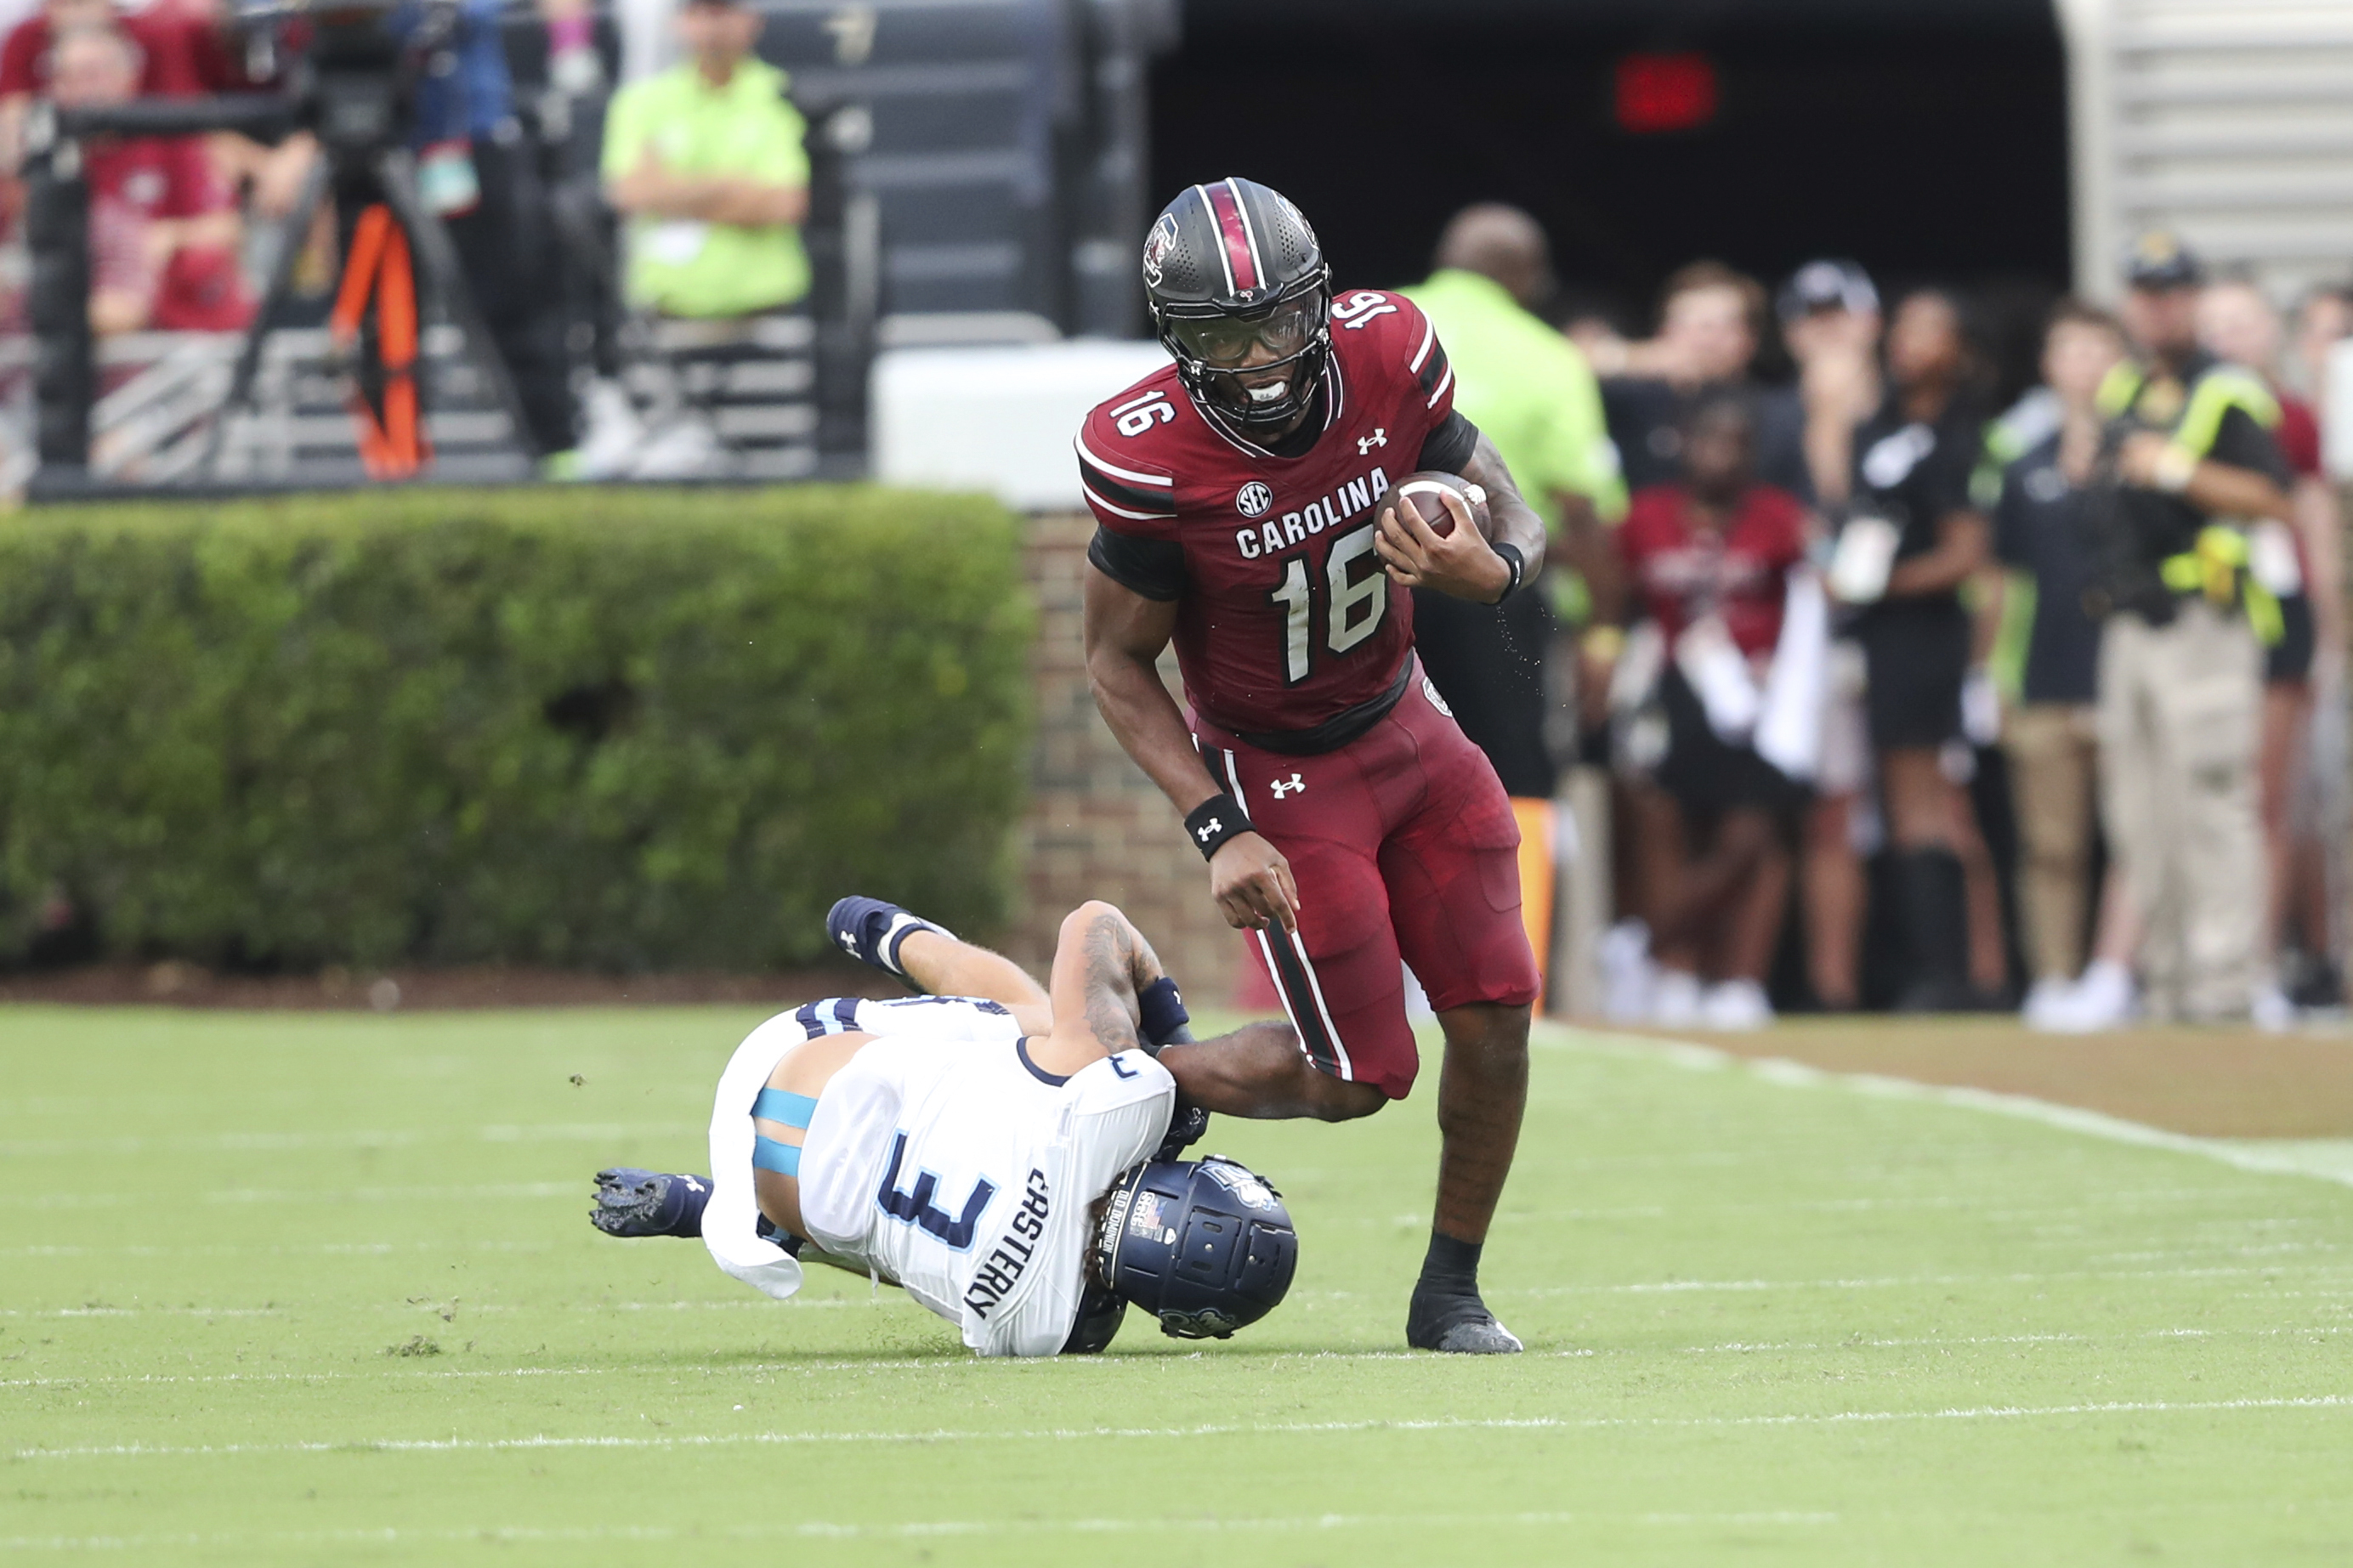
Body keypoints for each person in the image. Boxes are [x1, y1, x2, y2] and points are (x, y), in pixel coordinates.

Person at [1079, 177, 1546, 1354]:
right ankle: (1116, 1080)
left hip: (1409, 723)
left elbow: (1509, 507)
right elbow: (1115, 665)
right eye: (1224, 338)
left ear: (1319, 301)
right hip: (1283, 776)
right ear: (1176, 341)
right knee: (1354, 1076)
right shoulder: (1146, 452)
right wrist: (1213, 825)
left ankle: (1450, 1292)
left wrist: (1490, 573)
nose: (1261, 358)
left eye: (1278, 323)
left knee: (1497, 1014)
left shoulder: (1389, 348)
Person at [589, 897, 1301, 1356]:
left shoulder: (1119, 1108)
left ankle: (901, 940)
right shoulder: (1058, 1331)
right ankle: (704, 1204)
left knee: (1044, 1023)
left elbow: (1093, 923)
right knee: (919, 1243)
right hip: (785, 1196)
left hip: (798, 1067)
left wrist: (1169, 1052)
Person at [1398, 203, 1627, 992]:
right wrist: (1604, 636)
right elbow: (1586, 511)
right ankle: (1510, 977)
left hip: (1376, 586)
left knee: (1379, 767)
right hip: (1500, 590)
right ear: (1523, 276)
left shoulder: (1376, 325)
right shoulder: (1548, 354)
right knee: (1518, 773)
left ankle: (1390, 973)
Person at [2089, 235, 2294, 1022]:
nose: (2157, 306)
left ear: (2193, 301)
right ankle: (2166, 980)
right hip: (2131, 621)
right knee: (2140, 814)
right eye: (2145, 292)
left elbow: (2275, 495)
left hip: (2202, 620)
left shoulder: (2227, 388)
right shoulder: (2124, 386)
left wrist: (2173, 468)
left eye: (2172, 292)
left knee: (2212, 802)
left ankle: (2225, 984)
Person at [1608, 391, 1813, 1028]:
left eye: (1735, 443)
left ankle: (1709, 968)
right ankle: (1677, 974)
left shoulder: (1779, 516)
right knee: (1664, 823)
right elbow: (1616, 595)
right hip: (1672, 691)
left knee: (1752, 837)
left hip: (1756, 700)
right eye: (1709, 440)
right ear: (1684, 444)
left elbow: (1817, 596)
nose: (1720, 455)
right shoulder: (1646, 515)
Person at [1829, 288, 1993, 1010]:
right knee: (1900, 801)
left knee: (1931, 802)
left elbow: (1967, 553)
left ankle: (1959, 975)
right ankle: (1930, 969)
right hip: (1884, 635)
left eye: (1933, 330)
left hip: (1929, 632)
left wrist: (1881, 585)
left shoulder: (1962, 434)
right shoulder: (1878, 426)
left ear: (1959, 349)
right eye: (1904, 327)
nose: (1910, 343)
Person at [2198, 277, 2344, 1018]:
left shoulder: (2290, 417)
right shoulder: (2187, 407)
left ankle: (2261, 959)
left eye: (2241, 322)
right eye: (2215, 323)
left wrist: (2326, 622)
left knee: (2272, 796)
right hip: (2207, 619)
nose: (2227, 336)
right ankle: (2217, 955)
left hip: (2274, 615)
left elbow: (2311, 514)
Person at [1981, 300, 2128, 1024]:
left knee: (2137, 835)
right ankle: (2054, 975)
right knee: (2050, 843)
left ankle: (2123, 971)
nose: (2086, 366)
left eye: (2099, 350)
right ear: (2048, 366)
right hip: (2044, 673)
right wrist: (1991, 677)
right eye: (2071, 351)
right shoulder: (2021, 458)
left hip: (2126, 674)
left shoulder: (2142, 451)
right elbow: (2003, 578)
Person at [600, 0, 809, 320]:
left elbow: (785, 203)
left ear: (753, 20)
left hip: (766, 304)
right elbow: (628, 193)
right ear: (678, 22)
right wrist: (732, 189)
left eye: (724, 11)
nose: (713, 27)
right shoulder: (641, 101)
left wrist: (673, 192)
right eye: (699, 12)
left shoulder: (784, 95)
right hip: (666, 304)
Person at [48, 23, 248, 334]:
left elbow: (229, 227)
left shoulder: (167, 137)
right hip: (85, 340)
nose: (82, 90)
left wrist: (169, 236)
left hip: (189, 333)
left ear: (129, 78)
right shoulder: (48, 159)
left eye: (93, 74)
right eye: (68, 77)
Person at [1579, 261, 1811, 500]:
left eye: (1723, 326)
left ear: (1750, 339)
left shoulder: (1780, 414)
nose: (1706, 340)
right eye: (1690, 324)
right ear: (1663, 332)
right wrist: (1637, 358)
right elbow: (1561, 364)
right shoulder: (1629, 400)